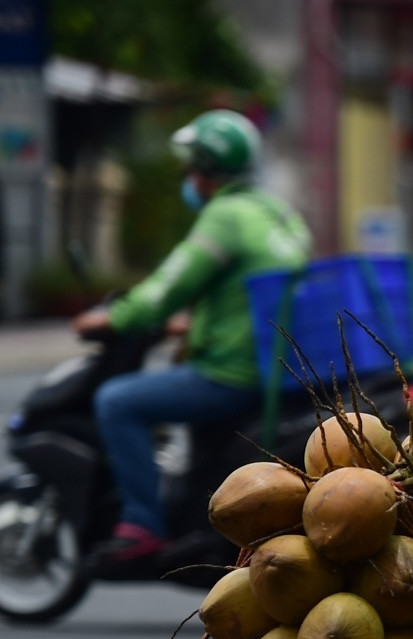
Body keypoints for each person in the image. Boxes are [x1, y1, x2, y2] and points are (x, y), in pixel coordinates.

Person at [72, 109, 311, 565]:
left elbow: (167, 287)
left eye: (191, 166)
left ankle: (142, 523)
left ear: (206, 170)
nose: (187, 176)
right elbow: (245, 294)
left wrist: (113, 317)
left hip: (232, 371)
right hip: (270, 362)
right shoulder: (275, 212)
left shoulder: (225, 216)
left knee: (117, 401)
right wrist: (189, 324)